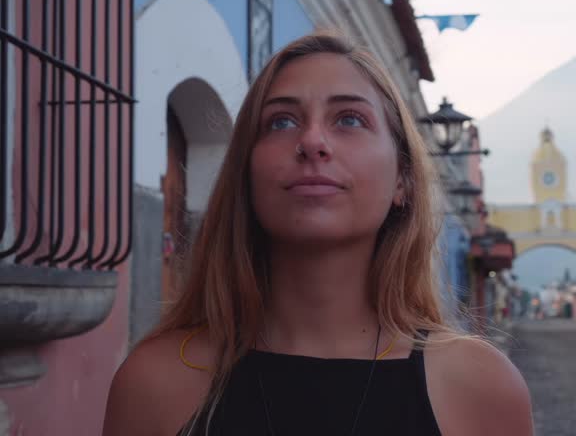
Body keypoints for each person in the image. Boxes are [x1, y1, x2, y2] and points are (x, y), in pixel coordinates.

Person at [102, 31, 533, 436]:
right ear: (246, 176)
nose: (312, 140)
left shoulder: (481, 390)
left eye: (349, 119)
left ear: (402, 178)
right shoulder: (155, 382)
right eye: (281, 122)